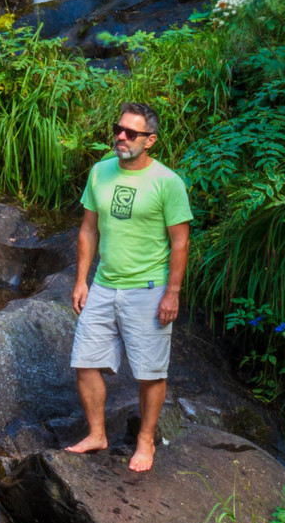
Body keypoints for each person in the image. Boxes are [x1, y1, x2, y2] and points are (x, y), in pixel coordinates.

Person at [66, 102, 192, 475]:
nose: (121, 137)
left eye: (131, 133)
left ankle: (145, 440)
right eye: (118, 129)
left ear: (150, 140)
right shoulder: (100, 172)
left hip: (148, 288)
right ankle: (97, 434)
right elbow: (89, 229)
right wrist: (81, 280)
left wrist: (172, 293)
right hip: (105, 284)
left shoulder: (167, 182)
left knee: (150, 372)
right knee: (85, 361)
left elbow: (180, 242)